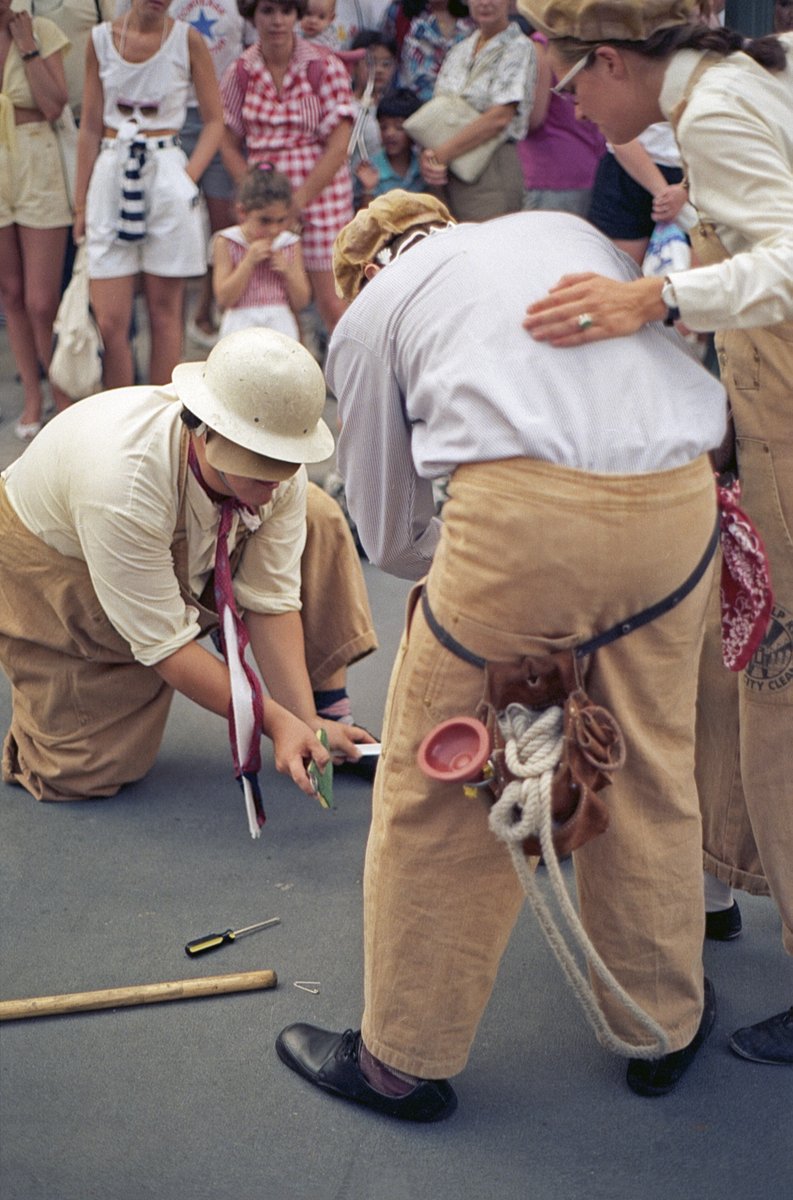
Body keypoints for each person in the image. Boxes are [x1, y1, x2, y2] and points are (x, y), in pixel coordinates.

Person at [273, 191, 729, 1120]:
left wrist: (501, 584)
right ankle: (660, 1023)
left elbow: (387, 528)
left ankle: (401, 1057)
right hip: (679, 498)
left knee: (442, 785)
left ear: (361, 269)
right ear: (440, 223)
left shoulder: (369, 317)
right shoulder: (559, 227)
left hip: (519, 519)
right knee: (646, 760)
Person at [520, 0, 793, 1066]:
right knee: (740, 669)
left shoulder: (717, 110)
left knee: (775, 681)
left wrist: (654, 298)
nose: (582, 114)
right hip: (762, 413)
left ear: (610, 60)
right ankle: (724, 875)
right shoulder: (736, 83)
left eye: (576, 88)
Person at [0, 327, 376, 807]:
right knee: (81, 772)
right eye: (259, 467)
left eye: (285, 465)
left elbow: (271, 601)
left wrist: (304, 724)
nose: (277, 482)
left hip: (170, 534)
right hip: (56, 560)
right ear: (207, 431)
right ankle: (66, 673)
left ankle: (328, 708)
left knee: (316, 515)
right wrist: (273, 721)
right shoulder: (124, 484)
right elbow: (168, 646)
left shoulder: (276, 458)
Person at [74, 0, 223, 388]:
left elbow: (214, 120)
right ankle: (121, 417)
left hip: (166, 168)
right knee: (110, 319)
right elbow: (90, 125)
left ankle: (161, 413)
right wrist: (80, 202)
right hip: (111, 169)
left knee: (165, 311)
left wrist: (186, 178)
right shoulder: (100, 40)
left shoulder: (187, 40)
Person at [220, 0, 356, 335]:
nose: (277, 21)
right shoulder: (240, 70)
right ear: (253, 15)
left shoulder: (324, 65)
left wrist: (297, 203)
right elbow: (226, 139)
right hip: (266, 199)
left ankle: (349, 384)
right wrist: (254, 194)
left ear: (297, 14)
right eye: (267, 11)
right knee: (276, 294)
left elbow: (340, 145)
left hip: (321, 193)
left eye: (286, 11)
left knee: (334, 302)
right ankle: (292, 381)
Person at [0, 0, 73, 439]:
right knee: (10, 292)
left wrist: (26, 46)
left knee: (42, 300)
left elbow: (53, 105)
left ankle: (62, 397)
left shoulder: (40, 28)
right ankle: (32, 395)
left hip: (37, 160)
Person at [418, 0, 536, 221]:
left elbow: (500, 117)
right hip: (446, 168)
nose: (485, 2)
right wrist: (430, 156)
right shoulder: (459, 49)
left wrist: (441, 154)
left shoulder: (519, 46)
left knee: (490, 246)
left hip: (491, 164)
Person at [212, 164, 311, 339]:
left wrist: (287, 272)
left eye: (281, 220)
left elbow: (301, 301)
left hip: (280, 323)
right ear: (242, 212)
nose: (274, 229)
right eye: (265, 221)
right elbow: (223, 299)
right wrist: (248, 262)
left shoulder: (289, 243)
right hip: (239, 322)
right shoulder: (226, 241)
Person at [354, 86, 422, 205]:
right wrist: (368, 189)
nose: (389, 133)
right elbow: (364, 219)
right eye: (383, 127)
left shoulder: (422, 166)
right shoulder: (370, 169)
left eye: (399, 127)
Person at [397, 0, 474, 103]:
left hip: (459, 102)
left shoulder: (473, 19)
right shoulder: (403, 14)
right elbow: (388, 54)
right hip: (411, 102)